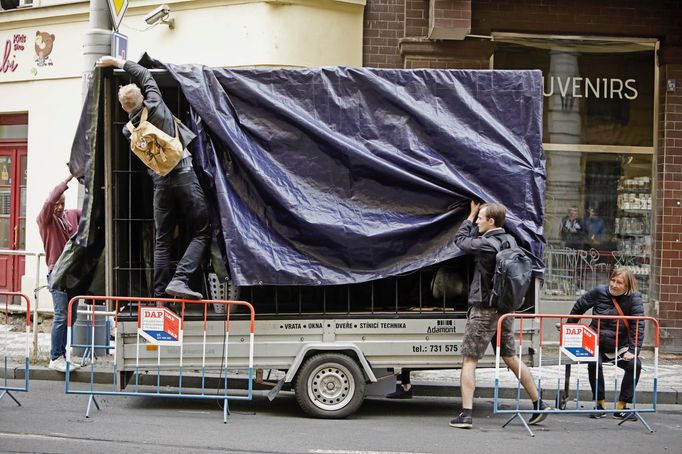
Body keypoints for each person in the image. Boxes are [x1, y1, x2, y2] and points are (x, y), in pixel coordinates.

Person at [96, 56, 210, 301]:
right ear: (142, 98)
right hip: (183, 173)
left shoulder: (128, 130)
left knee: (162, 240)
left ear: (125, 108)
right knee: (202, 230)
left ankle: (160, 297)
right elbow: (145, 75)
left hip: (160, 182)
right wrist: (118, 62)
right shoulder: (156, 104)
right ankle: (180, 279)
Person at [449, 201, 548, 429]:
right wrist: (476, 219)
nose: (477, 221)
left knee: (470, 359)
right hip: (505, 309)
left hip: (484, 310)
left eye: (481, 218)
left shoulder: (486, 245)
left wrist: (469, 215)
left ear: (491, 221)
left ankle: (466, 414)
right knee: (511, 357)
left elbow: (460, 241)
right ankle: (539, 403)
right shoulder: (509, 240)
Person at [567, 268, 644, 419]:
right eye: (613, 280)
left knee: (635, 365)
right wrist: (569, 328)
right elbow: (579, 306)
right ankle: (600, 404)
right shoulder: (599, 291)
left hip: (619, 346)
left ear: (628, 285)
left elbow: (638, 324)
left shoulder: (634, 298)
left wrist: (633, 350)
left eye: (619, 282)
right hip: (596, 343)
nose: (614, 285)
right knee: (594, 364)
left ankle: (622, 407)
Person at [37, 175, 82, 373]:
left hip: (73, 273)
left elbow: (90, 212)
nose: (59, 208)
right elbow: (50, 201)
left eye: (62, 204)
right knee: (61, 316)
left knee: (71, 317)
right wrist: (69, 178)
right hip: (57, 272)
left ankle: (62, 356)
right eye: (57, 204)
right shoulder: (46, 220)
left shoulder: (71, 216)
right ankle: (55, 357)